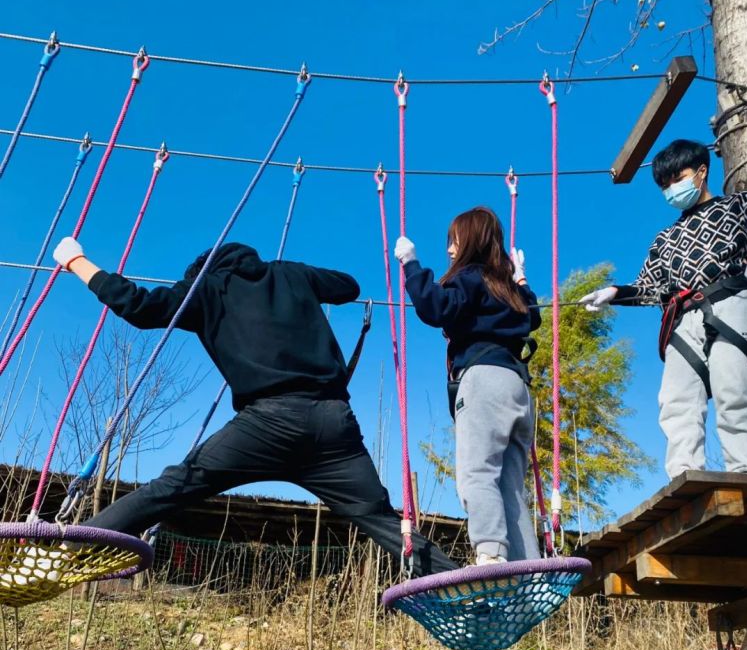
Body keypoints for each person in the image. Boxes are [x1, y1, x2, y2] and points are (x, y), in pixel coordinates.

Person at [47, 236, 459, 579]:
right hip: (333, 425)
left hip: (266, 426)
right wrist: (298, 279)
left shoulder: (207, 290)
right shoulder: (289, 273)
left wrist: (78, 262)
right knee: (383, 521)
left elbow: (137, 306)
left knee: (174, 487)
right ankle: (461, 589)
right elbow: (348, 286)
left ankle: (65, 550)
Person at [579, 138, 747, 480]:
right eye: (665, 184)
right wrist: (614, 292)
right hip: (682, 318)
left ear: (701, 172)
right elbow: (650, 286)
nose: (672, 188)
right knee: (676, 401)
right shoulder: (665, 239)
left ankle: (745, 468)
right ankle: (685, 475)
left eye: (678, 178)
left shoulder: (740, 207)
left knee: (735, 392)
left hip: (729, 303)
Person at [394, 206, 542, 566]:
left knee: (476, 474)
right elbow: (533, 315)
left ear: (471, 241)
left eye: (455, 241)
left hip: (484, 382)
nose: (449, 249)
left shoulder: (471, 278)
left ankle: (490, 553)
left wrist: (411, 264)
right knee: (508, 485)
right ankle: (527, 568)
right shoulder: (506, 288)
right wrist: (521, 279)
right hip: (518, 387)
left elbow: (436, 308)